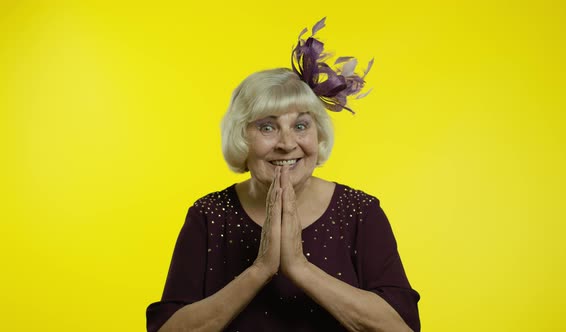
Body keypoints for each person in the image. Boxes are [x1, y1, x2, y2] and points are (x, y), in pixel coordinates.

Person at [146, 18, 420, 332]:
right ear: (241, 138)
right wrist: (261, 269)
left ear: (318, 135)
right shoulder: (208, 216)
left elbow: (401, 328)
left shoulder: (360, 212)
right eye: (267, 127)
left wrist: (299, 268)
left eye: (301, 126)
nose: (287, 143)